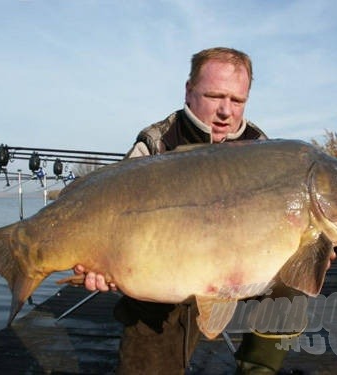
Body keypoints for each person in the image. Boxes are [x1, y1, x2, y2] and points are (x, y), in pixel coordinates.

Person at [73, 47, 304, 374]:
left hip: (240, 272)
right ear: (189, 91)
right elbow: (111, 214)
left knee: (300, 277)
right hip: (164, 286)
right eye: (214, 96)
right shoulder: (155, 144)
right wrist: (105, 262)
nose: (226, 111)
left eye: (237, 101)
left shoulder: (262, 148)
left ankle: (259, 368)